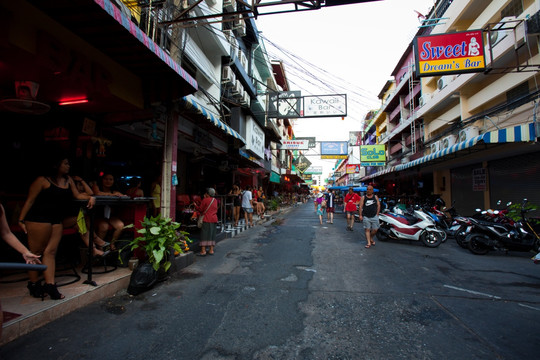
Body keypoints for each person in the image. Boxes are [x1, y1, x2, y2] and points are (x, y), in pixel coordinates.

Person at [18, 155, 96, 300]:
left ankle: (50, 285)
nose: (68, 166)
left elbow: (78, 195)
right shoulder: (42, 180)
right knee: (35, 253)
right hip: (38, 219)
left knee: (51, 252)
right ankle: (34, 284)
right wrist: (21, 219)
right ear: (56, 165)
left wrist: (91, 198)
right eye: (65, 163)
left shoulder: (68, 180)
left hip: (56, 219)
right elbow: (30, 201)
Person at [63, 176, 109, 257]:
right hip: (60, 221)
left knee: (81, 226)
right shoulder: (70, 193)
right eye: (79, 185)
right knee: (84, 217)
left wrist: (82, 180)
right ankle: (96, 239)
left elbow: (91, 193)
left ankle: (94, 250)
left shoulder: (81, 194)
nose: (82, 187)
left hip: (74, 222)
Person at [92, 173, 125, 250]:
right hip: (98, 215)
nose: (108, 181)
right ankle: (100, 248)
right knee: (104, 226)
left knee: (120, 225)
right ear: (102, 180)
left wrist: (121, 195)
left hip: (110, 216)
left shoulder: (115, 191)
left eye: (111, 179)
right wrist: (112, 195)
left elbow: (122, 195)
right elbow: (97, 193)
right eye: (106, 179)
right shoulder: (96, 187)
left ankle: (112, 244)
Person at [195, 188, 218, 256]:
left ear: (207, 194)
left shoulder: (205, 200)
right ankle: (211, 250)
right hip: (214, 219)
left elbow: (200, 209)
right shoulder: (215, 200)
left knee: (204, 234)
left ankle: (203, 250)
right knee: (212, 234)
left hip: (206, 219)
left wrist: (195, 205)